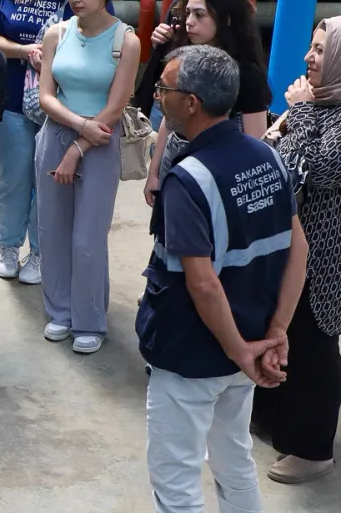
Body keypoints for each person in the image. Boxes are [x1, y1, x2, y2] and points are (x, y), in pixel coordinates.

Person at [137, 45, 307, 512]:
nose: (158, 97)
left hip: (192, 352)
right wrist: (273, 335)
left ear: (191, 102)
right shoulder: (268, 157)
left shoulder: (188, 180)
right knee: (234, 461)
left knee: (176, 482)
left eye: (164, 89)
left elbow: (203, 284)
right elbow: (299, 250)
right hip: (249, 342)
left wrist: (238, 350)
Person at [34, 0, 140, 354]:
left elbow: (116, 106)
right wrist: (78, 127)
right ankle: (60, 311)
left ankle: (90, 320)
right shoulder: (56, 34)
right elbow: (46, 96)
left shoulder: (125, 41)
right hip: (59, 133)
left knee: (87, 238)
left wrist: (80, 145)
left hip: (100, 139)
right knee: (52, 230)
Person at [0, 0, 91, 286]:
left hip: (63, 105)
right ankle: (8, 247)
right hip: (11, 99)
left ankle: (42, 252)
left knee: (49, 182)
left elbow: (103, 32)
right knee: (11, 177)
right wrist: (24, 50)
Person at [253, 17, 341, 484]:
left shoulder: (317, 108)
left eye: (321, 50)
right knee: (283, 332)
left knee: (312, 344)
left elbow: (320, 170)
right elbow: (281, 163)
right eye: (311, 47)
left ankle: (313, 450)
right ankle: (278, 424)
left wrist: (300, 114)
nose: (309, 57)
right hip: (289, 250)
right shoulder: (316, 104)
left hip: (326, 258)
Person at [144, 0, 270, 207]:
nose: (189, 22)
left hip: (222, 172)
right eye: (187, 13)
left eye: (199, 15)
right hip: (174, 161)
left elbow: (256, 141)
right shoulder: (182, 58)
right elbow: (168, 120)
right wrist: (154, 172)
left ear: (226, 19)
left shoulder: (247, 74)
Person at [132, 0, 244, 128]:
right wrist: (161, 41)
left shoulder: (239, 15)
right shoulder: (178, 6)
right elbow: (166, 62)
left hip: (211, 106)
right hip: (169, 99)